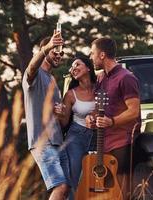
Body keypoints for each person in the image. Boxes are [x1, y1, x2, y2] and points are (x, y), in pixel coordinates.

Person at [86, 37, 141, 199]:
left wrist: (112, 121)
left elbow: (134, 111)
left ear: (102, 55)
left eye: (92, 53)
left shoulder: (126, 78)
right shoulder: (101, 78)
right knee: (109, 192)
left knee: (123, 192)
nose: (90, 57)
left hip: (123, 143)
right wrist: (92, 118)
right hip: (105, 145)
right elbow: (101, 109)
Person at [22, 31, 70, 200]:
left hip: (58, 141)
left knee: (66, 190)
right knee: (60, 186)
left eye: (61, 52)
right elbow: (32, 67)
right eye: (54, 50)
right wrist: (48, 46)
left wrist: (61, 113)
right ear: (44, 49)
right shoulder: (33, 74)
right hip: (42, 142)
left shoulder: (52, 80)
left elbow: (61, 118)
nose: (59, 54)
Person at [57, 56, 97, 197]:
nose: (73, 68)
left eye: (77, 64)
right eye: (72, 67)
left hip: (99, 137)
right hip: (76, 138)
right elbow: (64, 123)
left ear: (88, 67)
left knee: (97, 176)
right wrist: (60, 114)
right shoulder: (70, 95)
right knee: (75, 178)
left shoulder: (100, 88)